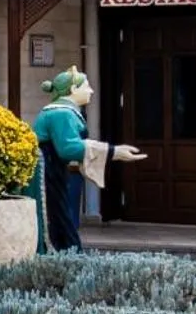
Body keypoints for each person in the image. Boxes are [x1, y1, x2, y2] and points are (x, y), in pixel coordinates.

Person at [30, 67, 144, 251]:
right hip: (48, 173)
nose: (91, 90)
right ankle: (63, 261)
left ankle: (67, 257)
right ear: (73, 90)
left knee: (62, 219)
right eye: (86, 86)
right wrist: (112, 151)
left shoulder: (63, 111)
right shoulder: (62, 114)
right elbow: (68, 148)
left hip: (56, 171)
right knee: (56, 220)